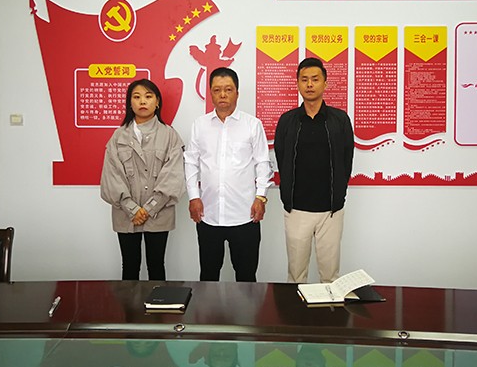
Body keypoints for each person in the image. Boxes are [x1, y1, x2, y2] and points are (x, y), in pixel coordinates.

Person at [184, 67, 273, 282]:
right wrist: (194, 197)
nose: (222, 94)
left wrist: (261, 197)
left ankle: (245, 308)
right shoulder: (200, 125)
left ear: (237, 93)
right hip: (208, 214)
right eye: (217, 90)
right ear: (211, 94)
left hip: (245, 215)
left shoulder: (252, 125)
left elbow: (263, 163)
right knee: (208, 276)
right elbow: (191, 162)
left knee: (246, 277)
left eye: (228, 89)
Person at [274, 57, 354, 284]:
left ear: (325, 83)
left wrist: (339, 196)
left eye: (315, 79)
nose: (309, 84)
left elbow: (346, 160)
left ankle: (329, 308)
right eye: (304, 79)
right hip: (297, 210)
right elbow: (281, 157)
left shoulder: (339, 120)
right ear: (298, 83)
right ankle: (295, 309)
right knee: (296, 276)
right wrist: (287, 197)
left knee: (330, 277)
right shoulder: (287, 121)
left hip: (330, 211)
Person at [100, 79, 185, 281]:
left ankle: (159, 303)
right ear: (130, 103)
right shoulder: (118, 136)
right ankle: (129, 304)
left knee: (157, 265)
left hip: (159, 213)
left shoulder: (169, 135)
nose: (142, 101)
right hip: (125, 214)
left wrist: (148, 208)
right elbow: (111, 175)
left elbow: (173, 176)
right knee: (129, 266)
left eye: (148, 96)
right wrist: (132, 208)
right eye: (136, 97)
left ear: (157, 102)